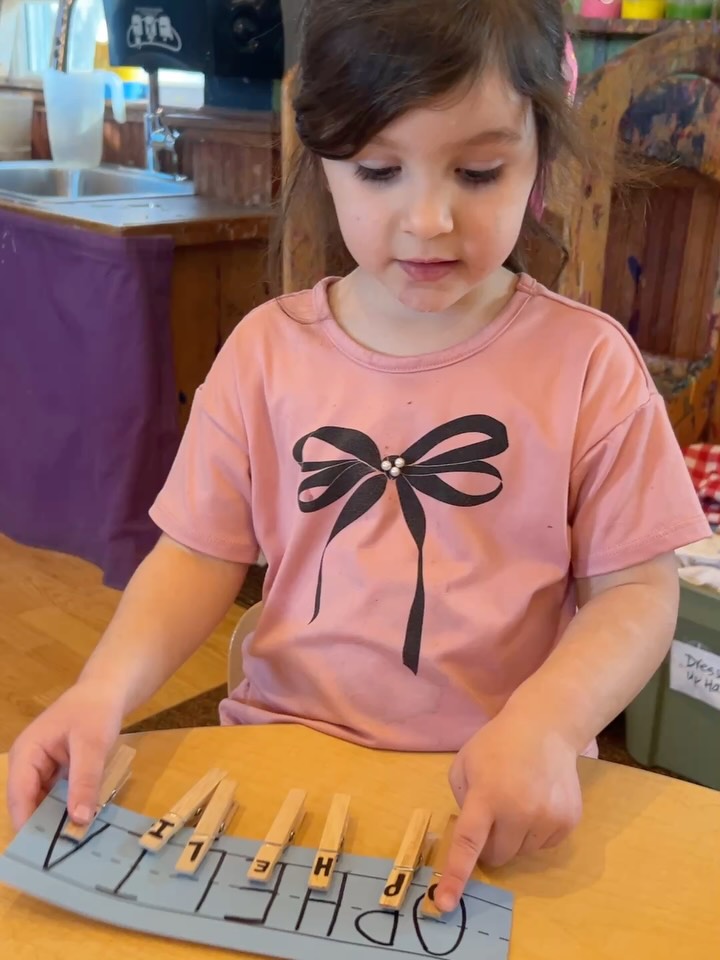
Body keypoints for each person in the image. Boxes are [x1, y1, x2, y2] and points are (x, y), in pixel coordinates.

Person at [7, 0, 710, 914]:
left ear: (541, 155)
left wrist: (548, 725)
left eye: (480, 170)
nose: (427, 219)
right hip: (276, 761)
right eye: (380, 171)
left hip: (491, 791)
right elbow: (196, 554)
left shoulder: (589, 366)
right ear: (325, 161)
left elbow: (639, 593)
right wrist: (103, 688)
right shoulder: (266, 352)